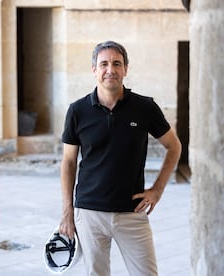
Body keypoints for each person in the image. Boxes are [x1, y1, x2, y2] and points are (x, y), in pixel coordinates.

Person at [59, 40, 182, 276]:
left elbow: (174, 146)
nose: (110, 70)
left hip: (131, 213)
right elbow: (69, 162)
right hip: (89, 212)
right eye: (103, 64)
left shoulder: (145, 107)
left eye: (117, 63)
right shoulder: (77, 111)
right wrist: (67, 213)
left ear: (125, 69)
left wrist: (157, 189)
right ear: (94, 69)